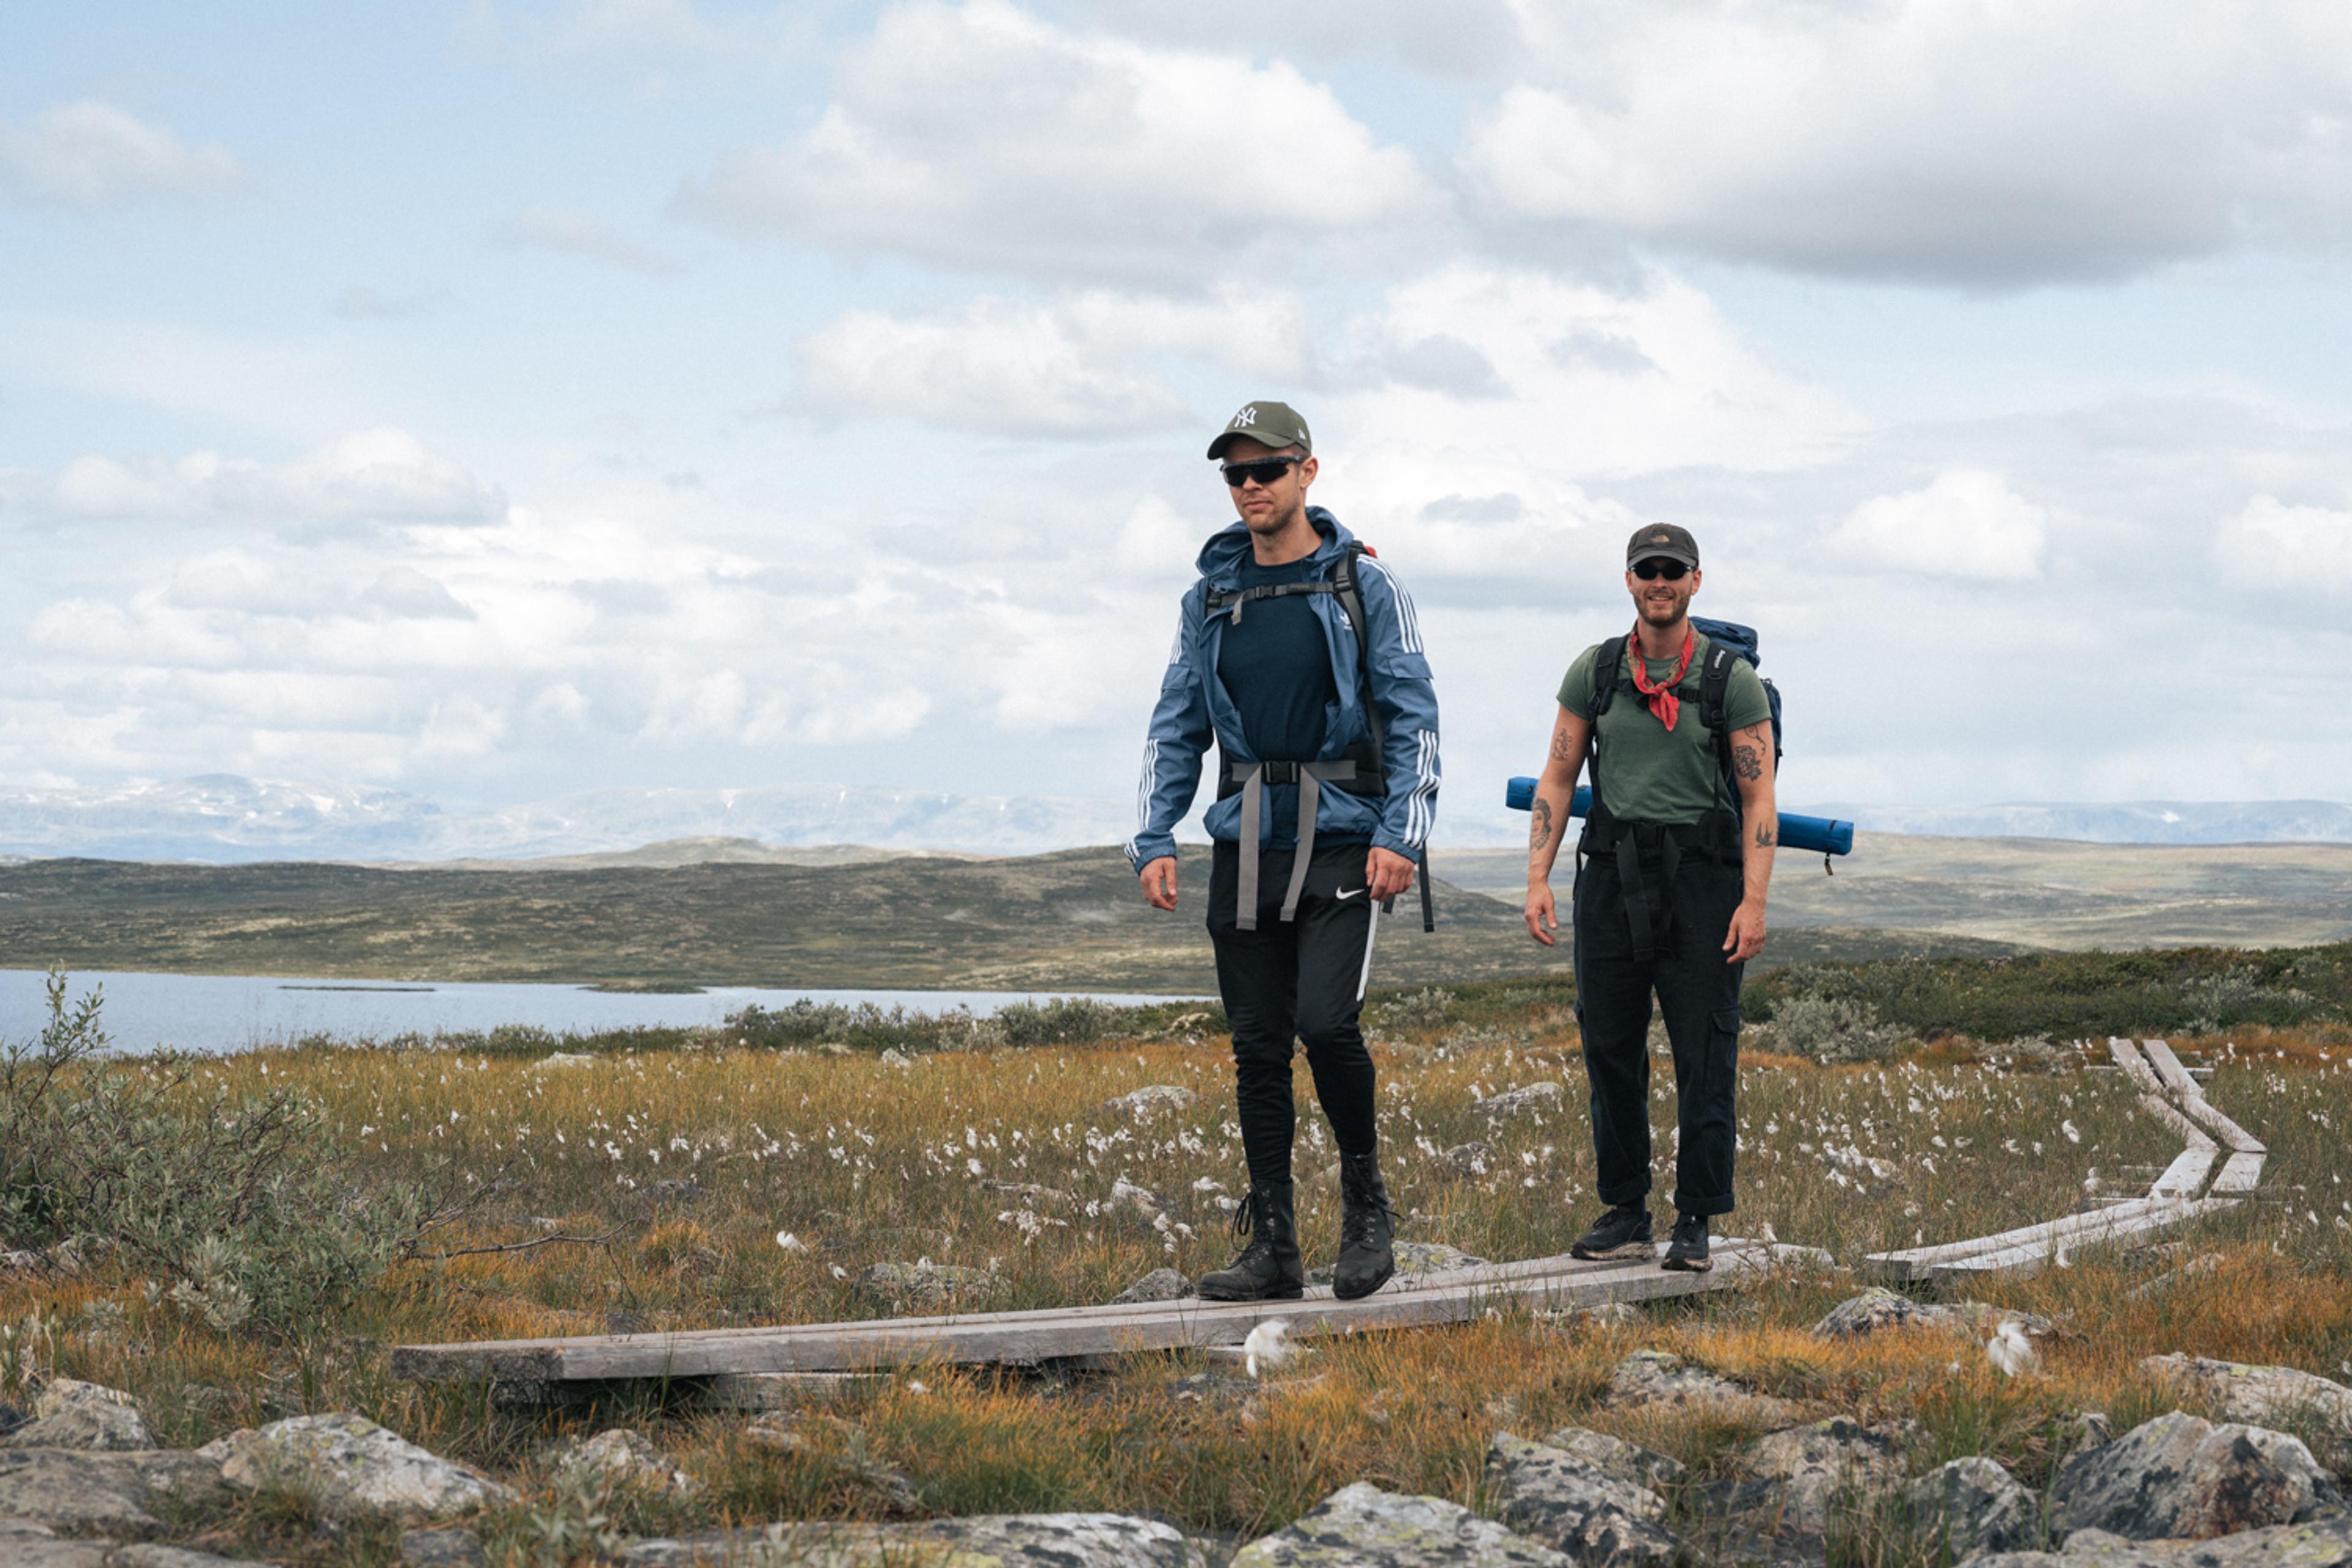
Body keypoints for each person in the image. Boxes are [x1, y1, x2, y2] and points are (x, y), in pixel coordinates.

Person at [1127, 400, 1440, 1302]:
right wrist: (1155, 835)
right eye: (1236, 473)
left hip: (1347, 835)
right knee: (1257, 1044)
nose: (1251, 486)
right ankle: (1274, 1247)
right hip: (1247, 838)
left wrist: (1401, 834)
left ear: (1309, 471)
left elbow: (1413, 711)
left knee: (1326, 1023)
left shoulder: (1364, 586)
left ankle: (1367, 1210)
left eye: (1268, 469)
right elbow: (1176, 719)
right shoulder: (1211, 596)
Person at [1521, 524, 1774, 1272]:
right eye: (1646, 570)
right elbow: (1558, 778)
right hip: (1611, 876)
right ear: (1629, 580)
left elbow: (1760, 800)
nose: (1659, 582)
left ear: (1696, 581)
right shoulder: (1595, 671)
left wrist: (1753, 902)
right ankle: (1626, 1211)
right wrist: (1537, 877)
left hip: (1703, 882)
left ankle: (1694, 1219)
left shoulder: (1731, 679)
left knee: (1704, 1048)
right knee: (1609, 1046)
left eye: (1673, 570)